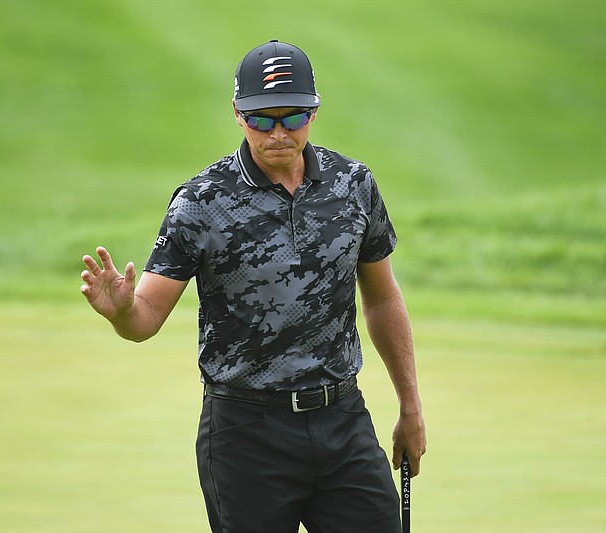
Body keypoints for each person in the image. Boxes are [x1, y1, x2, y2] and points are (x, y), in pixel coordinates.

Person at [80, 40, 426, 533]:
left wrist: (410, 405)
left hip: (342, 419)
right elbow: (145, 319)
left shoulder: (353, 185)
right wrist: (120, 311)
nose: (279, 133)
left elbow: (383, 297)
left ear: (314, 110)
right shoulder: (201, 201)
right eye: (262, 119)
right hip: (246, 433)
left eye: (294, 117)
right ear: (238, 114)